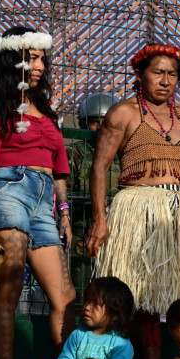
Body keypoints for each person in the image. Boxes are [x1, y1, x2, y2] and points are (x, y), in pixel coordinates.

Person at [85, 44, 180, 359]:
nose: (165, 80)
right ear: (140, 74)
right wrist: (100, 219)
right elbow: (100, 166)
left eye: (172, 74)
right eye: (158, 72)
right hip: (138, 208)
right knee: (140, 295)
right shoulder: (123, 113)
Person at [0, 26, 77, 359]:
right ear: (11, 58)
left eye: (42, 57)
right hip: (7, 188)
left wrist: (64, 212)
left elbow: (58, 167)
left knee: (65, 296)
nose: (40, 64)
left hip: (45, 198)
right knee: (10, 285)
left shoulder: (45, 109)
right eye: (32, 57)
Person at [9, 277, 135, 359]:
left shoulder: (121, 343)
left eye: (95, 304)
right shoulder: (78, 334)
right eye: (86, 301)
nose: (86, 307)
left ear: (114, 314)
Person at [66, 92, 118, 253]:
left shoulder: (122, 153)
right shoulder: (76, 152)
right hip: (81, 227)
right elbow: (65, 191)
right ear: (84, 123)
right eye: (96, 122)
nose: (101, 127)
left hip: (116, 227)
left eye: (106, 122)